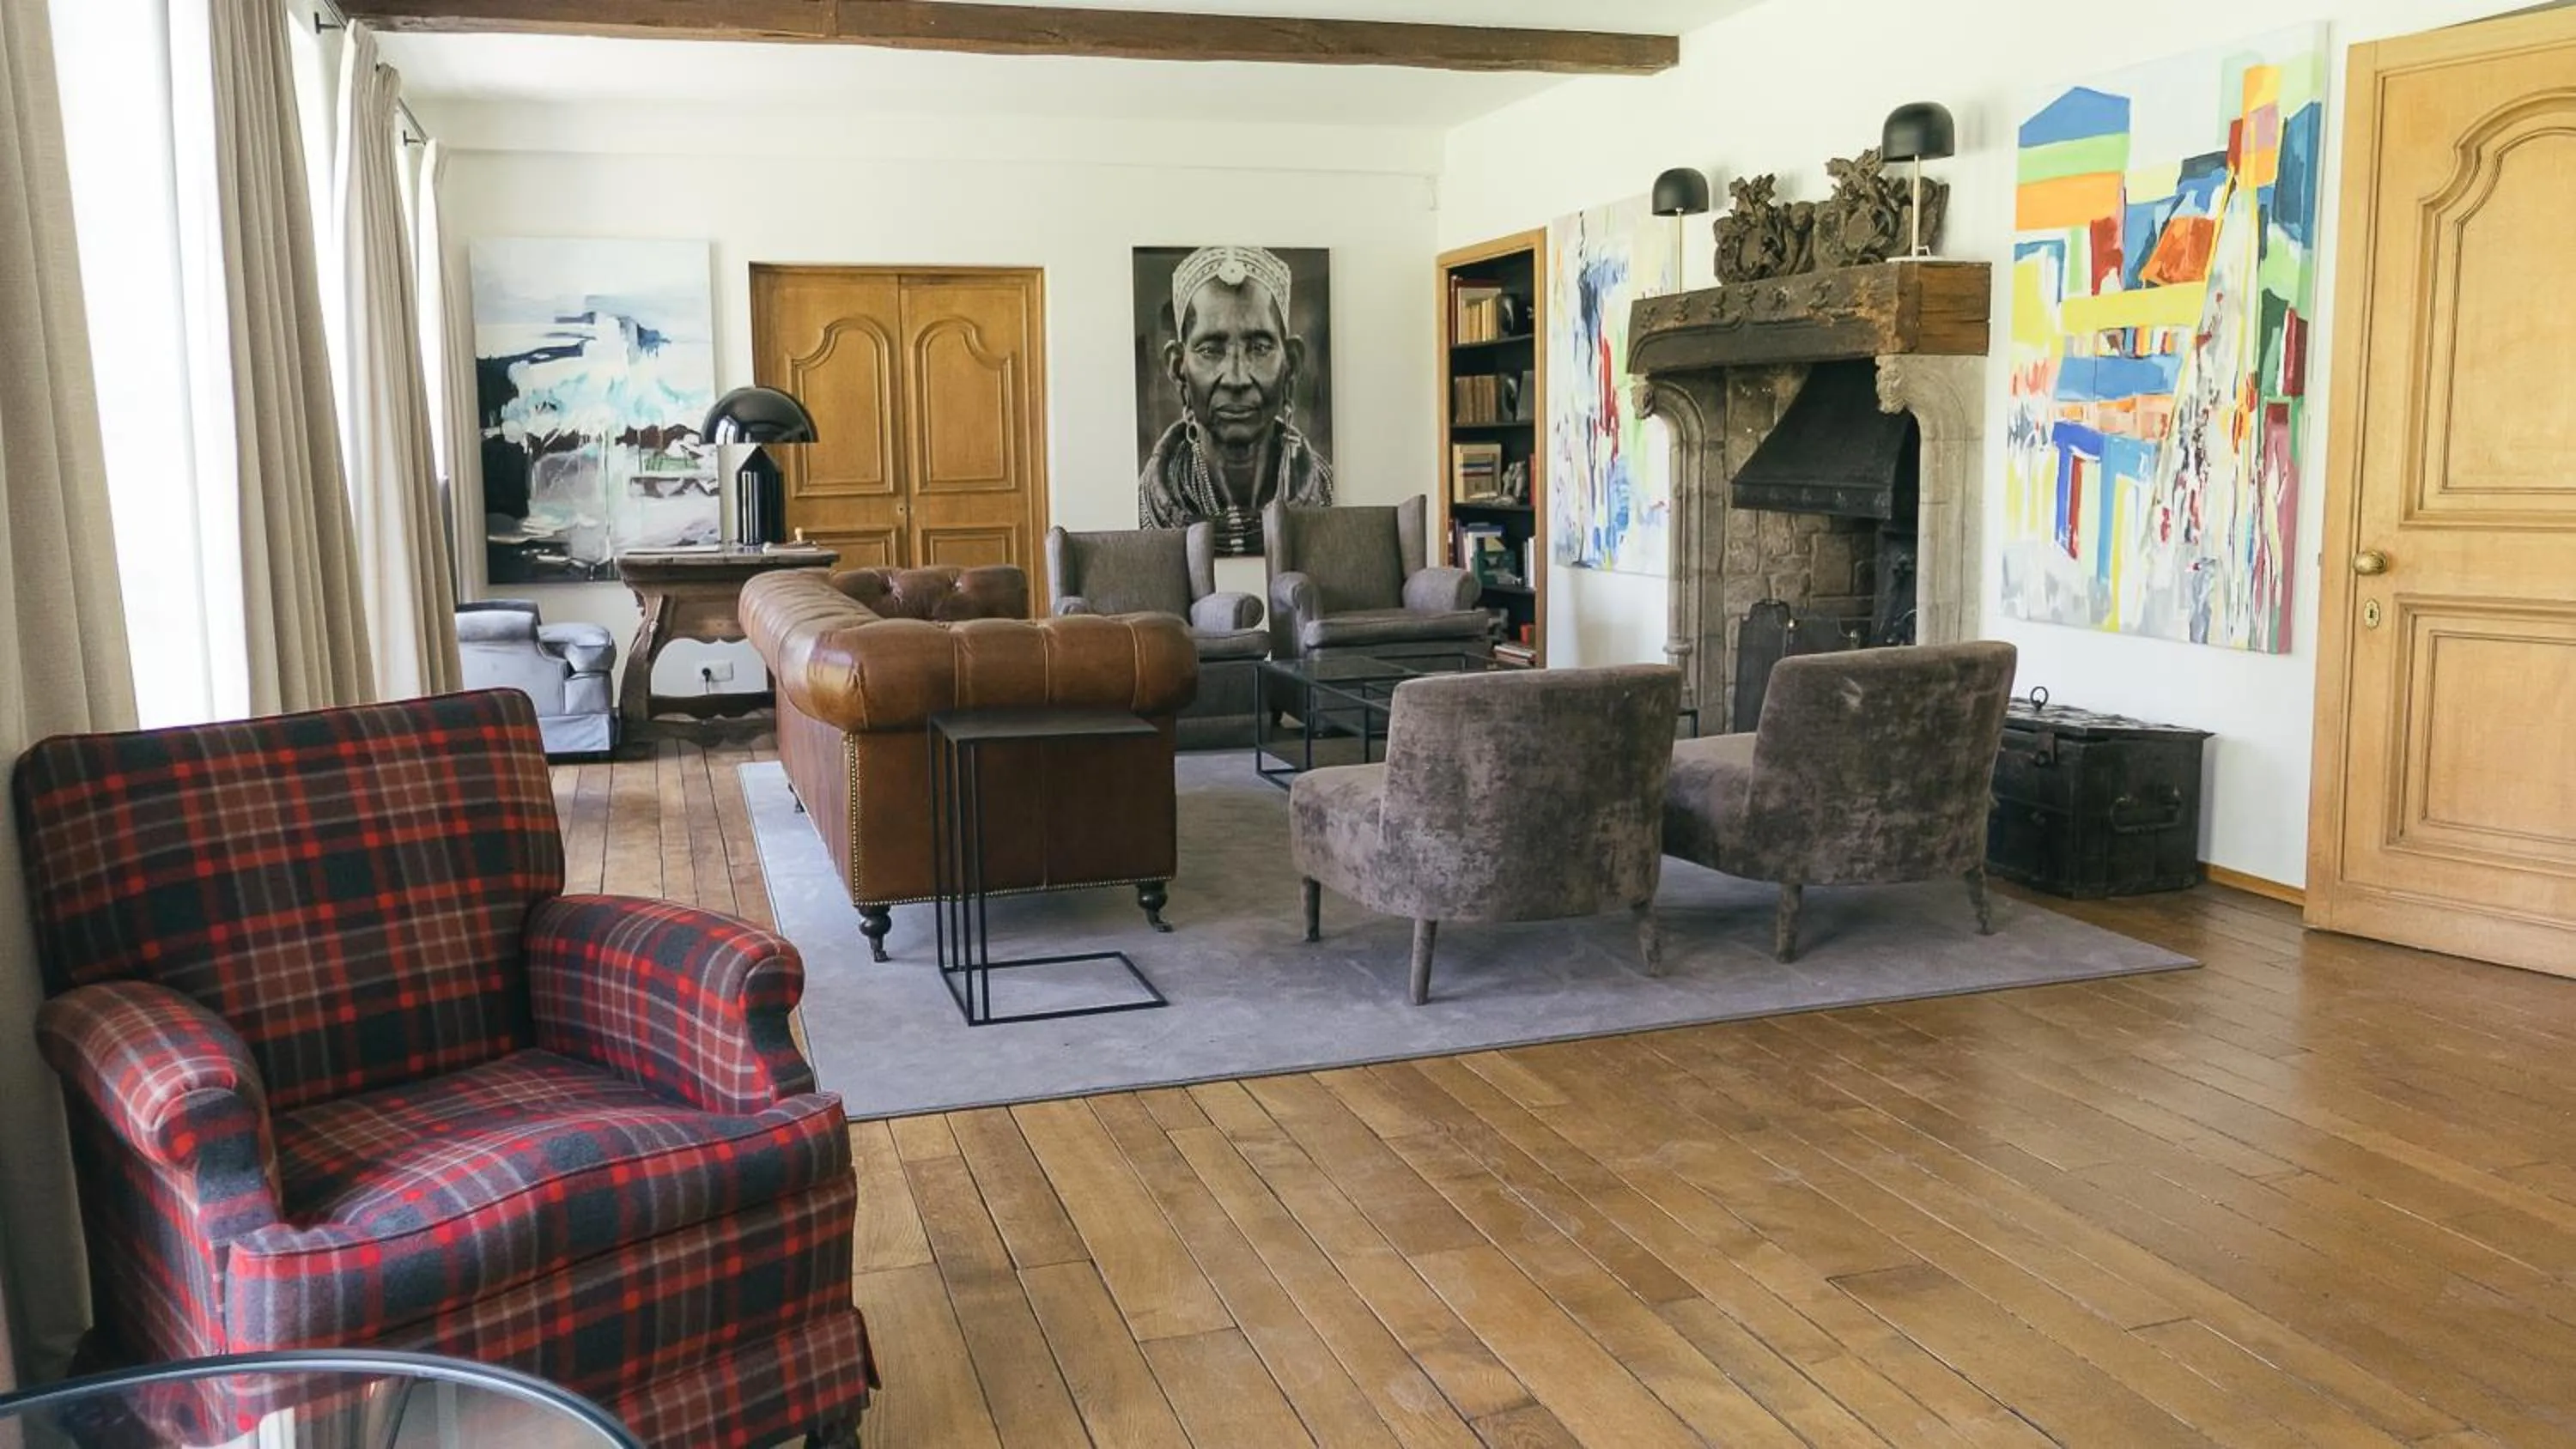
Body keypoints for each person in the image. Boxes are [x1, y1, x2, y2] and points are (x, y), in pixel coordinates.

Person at [1139, 245, 1333, 555]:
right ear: (1178, 368)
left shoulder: (1328, 495)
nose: (1237, 378)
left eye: (1259, 347)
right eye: (1210, 349)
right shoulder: (1144, 506)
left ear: (1291, 364)